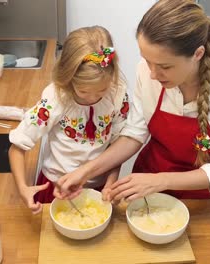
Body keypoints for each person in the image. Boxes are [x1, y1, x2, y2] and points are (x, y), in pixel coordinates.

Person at [55, 0, 210, 203]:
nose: (153, 74)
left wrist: (161, 181)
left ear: (197, 54)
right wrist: (85, 172)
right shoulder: (146, 71)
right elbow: (134, 134)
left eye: (165, 66)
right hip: (148, 182)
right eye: (147, 61)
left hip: (198, 197)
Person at [8, 26, 130, 214]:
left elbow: (118, 147)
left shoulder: (117, 94)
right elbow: (17, 147)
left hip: (98, 187)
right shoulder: (56, 98)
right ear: (67, 78)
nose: (92, 98)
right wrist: (23, 188)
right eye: (83, 91)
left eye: (101, 91)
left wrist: (110, 184)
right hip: (55, 187)